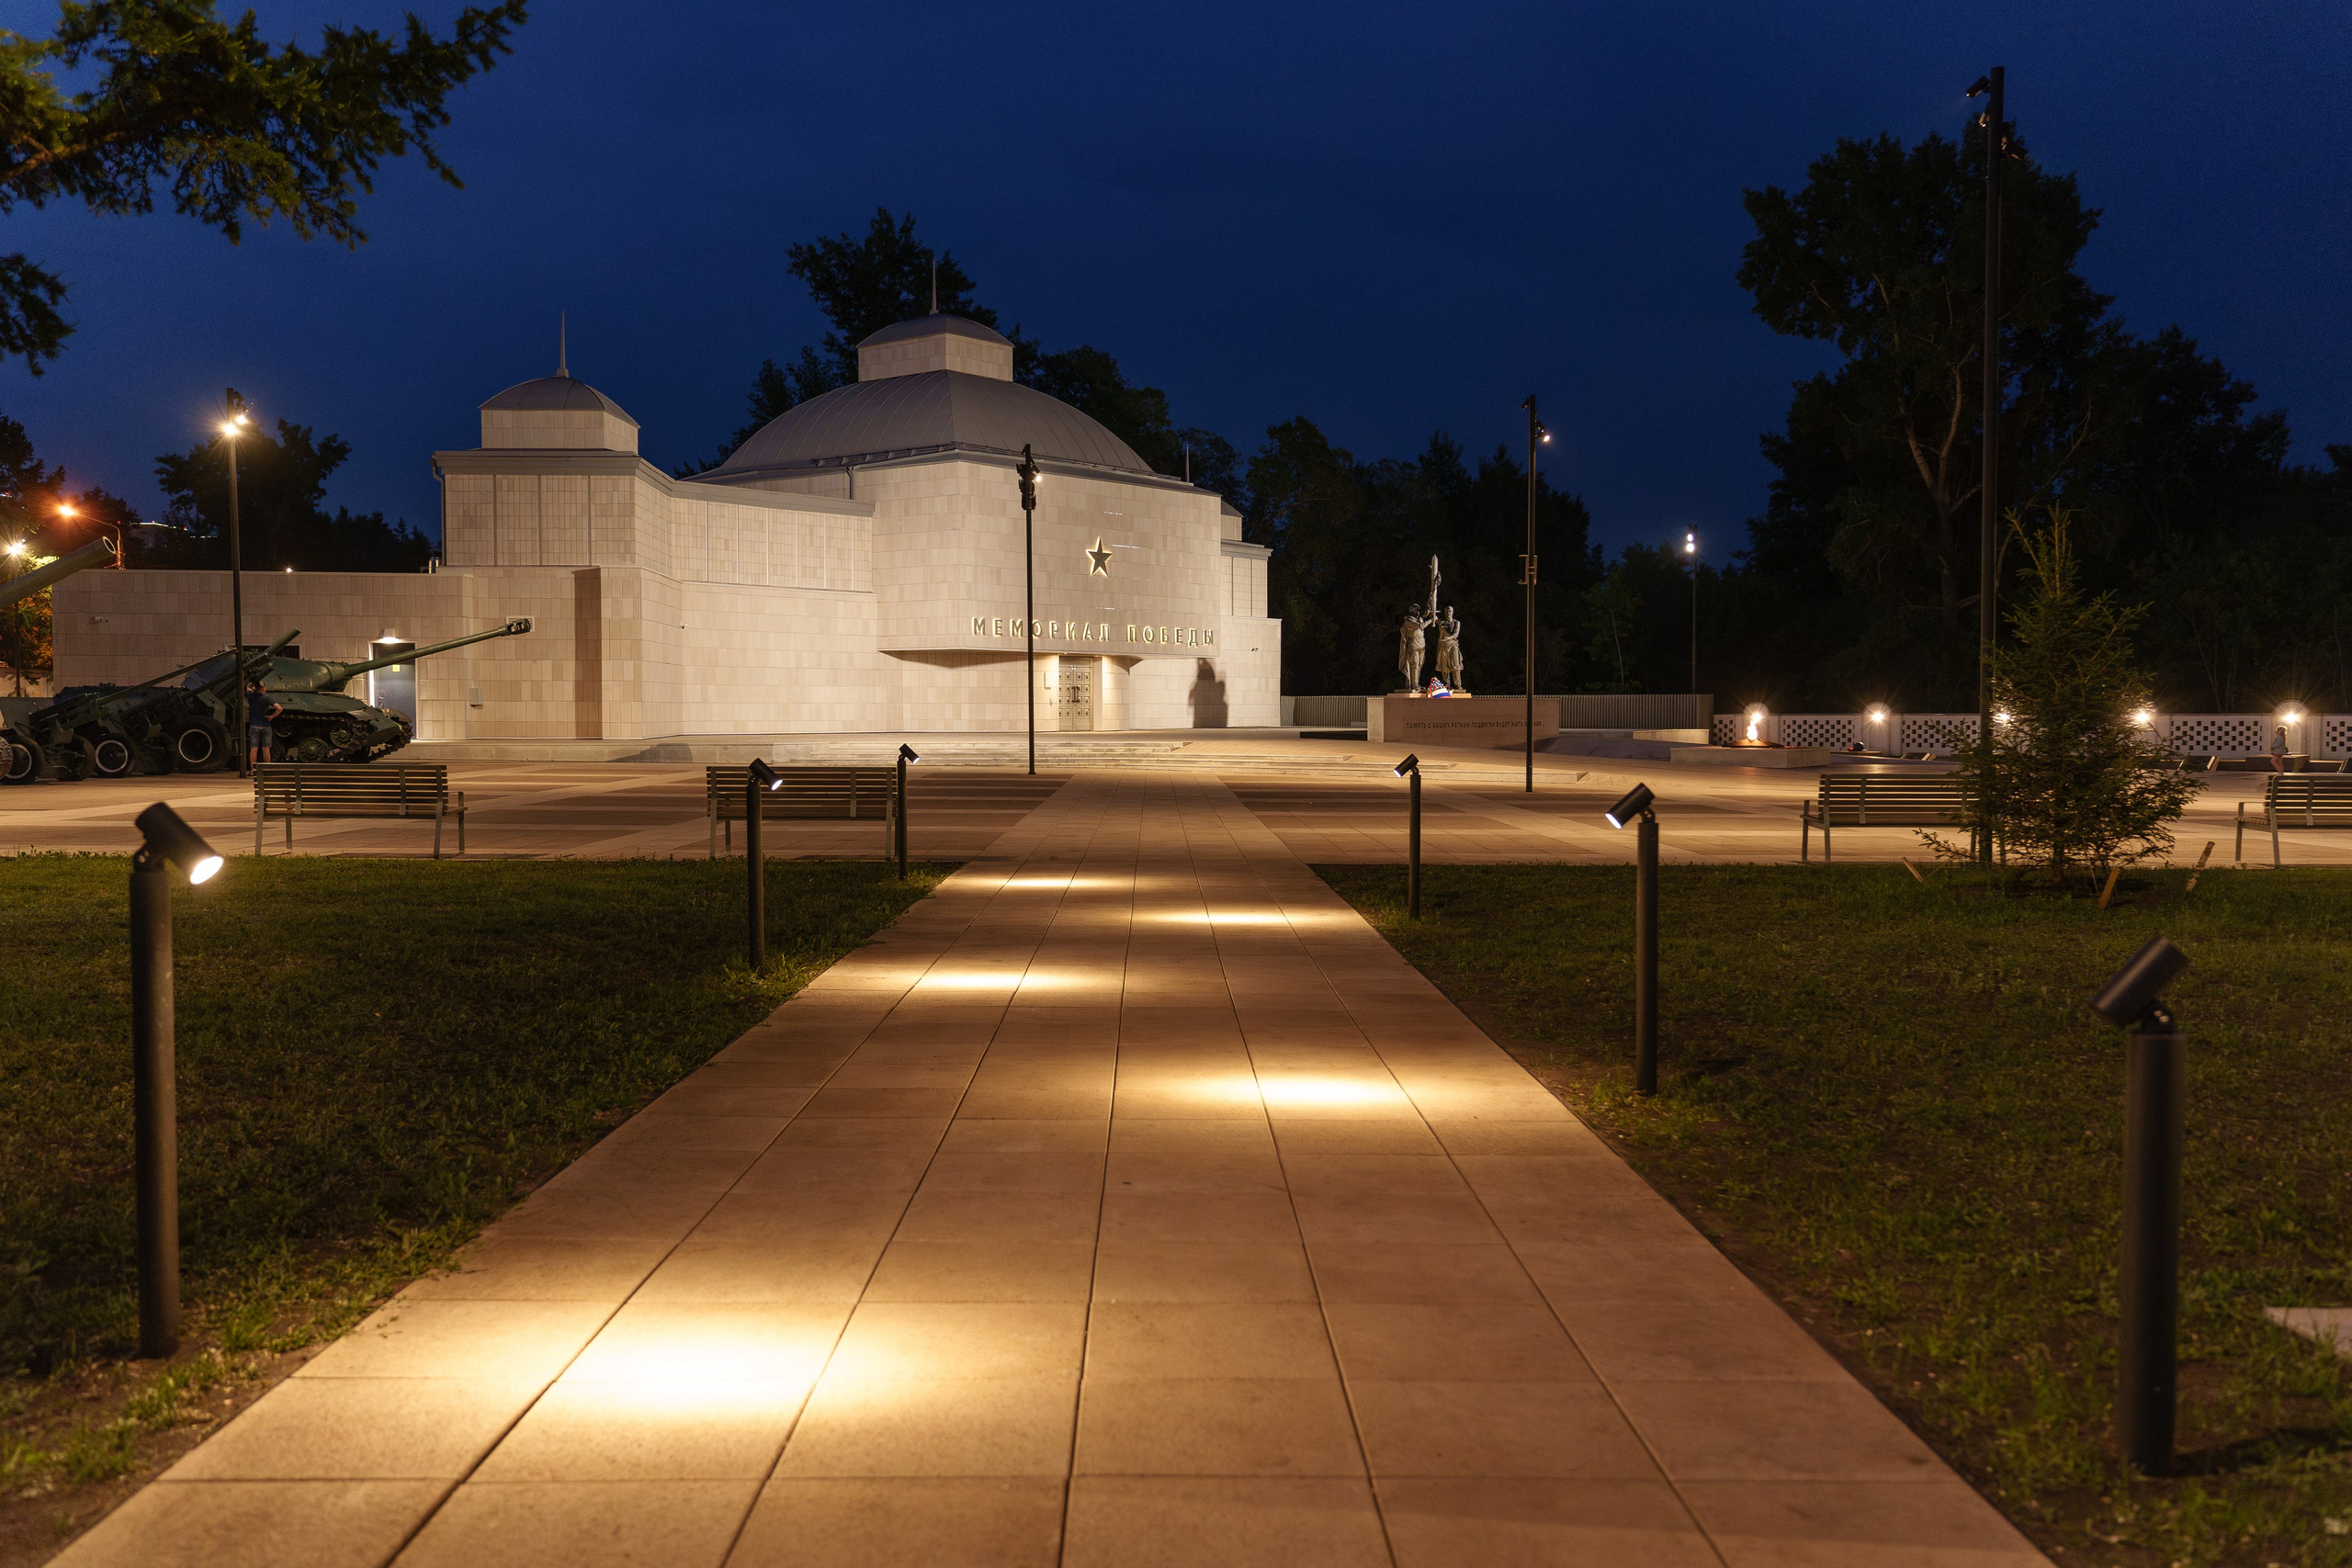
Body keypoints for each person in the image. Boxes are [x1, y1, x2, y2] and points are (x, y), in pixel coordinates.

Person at [248, 680, 282, 766]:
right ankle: (266, 769)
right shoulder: (267, 698)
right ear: (263, 688)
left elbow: (248, 688)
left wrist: (252, 684)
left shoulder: (250, 696)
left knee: (254, 749)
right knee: (266, 749)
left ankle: (253, 769)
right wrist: (272, 716)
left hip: (254, 725)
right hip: (266, 726)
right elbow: (279, 708)